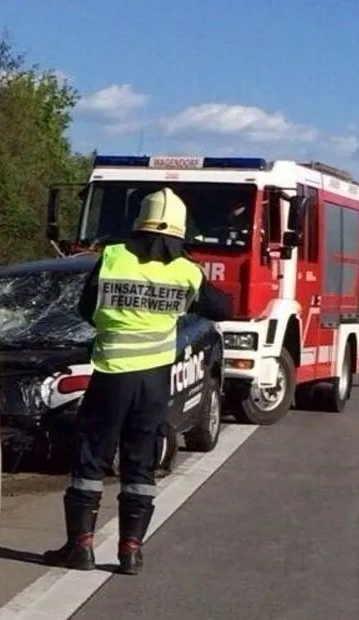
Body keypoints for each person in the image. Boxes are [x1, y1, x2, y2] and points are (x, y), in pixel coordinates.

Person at [44, 187, 233, 575]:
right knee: (141, 460)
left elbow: (86, 308)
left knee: (92, 456)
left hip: (112, 375)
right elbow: (222, 308)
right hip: (154, 381)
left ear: (139, 223)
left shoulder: (113, 257)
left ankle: (81, 547)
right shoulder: (186, 270)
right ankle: (130, 551)